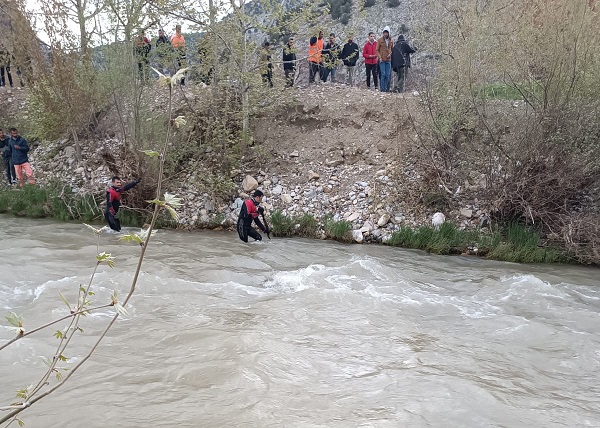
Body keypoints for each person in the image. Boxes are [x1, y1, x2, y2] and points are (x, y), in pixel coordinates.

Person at [377, 26, 394, 92]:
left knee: (387, 75)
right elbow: (377, 50)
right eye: (384, 32)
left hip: (388, 60)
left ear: (388, 33)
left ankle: (386, 88)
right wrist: (380, 57)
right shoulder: (379, 40)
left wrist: (390, 54)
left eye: (386, 33)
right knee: (383, 74)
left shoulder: (391, 40)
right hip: (382, 60)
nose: (385, 34)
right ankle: (382, 89)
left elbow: (392, 49)